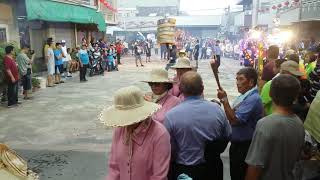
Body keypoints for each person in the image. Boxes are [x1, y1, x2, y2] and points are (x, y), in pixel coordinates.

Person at [165, 71, 231, 180]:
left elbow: (169, 149)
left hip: (184, 171)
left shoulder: (171, 116)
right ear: (202, 88)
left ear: (180, 89)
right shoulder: (217, 110)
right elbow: (227, 135)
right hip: (212, 168)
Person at [102, 86, 171, 180]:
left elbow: (159, 176)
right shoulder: (119, 130)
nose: (123, 121)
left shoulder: (159, 134)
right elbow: (114, 168)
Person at [245, 75, 305, 180]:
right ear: (295, 97)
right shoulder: (299, 123)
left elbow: (255, 166)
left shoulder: (265, 124)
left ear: (270, 94)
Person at [216, 67, 263, 180]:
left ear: (251, 82)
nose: (238, 83)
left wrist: (225, 100)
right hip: (238, 146)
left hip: (245, 147)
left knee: (239, 175)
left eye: (241, 79)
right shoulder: (245, 97)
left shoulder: (253, 99)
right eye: (237, 79)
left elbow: (234, 120)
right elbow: (230, 116)